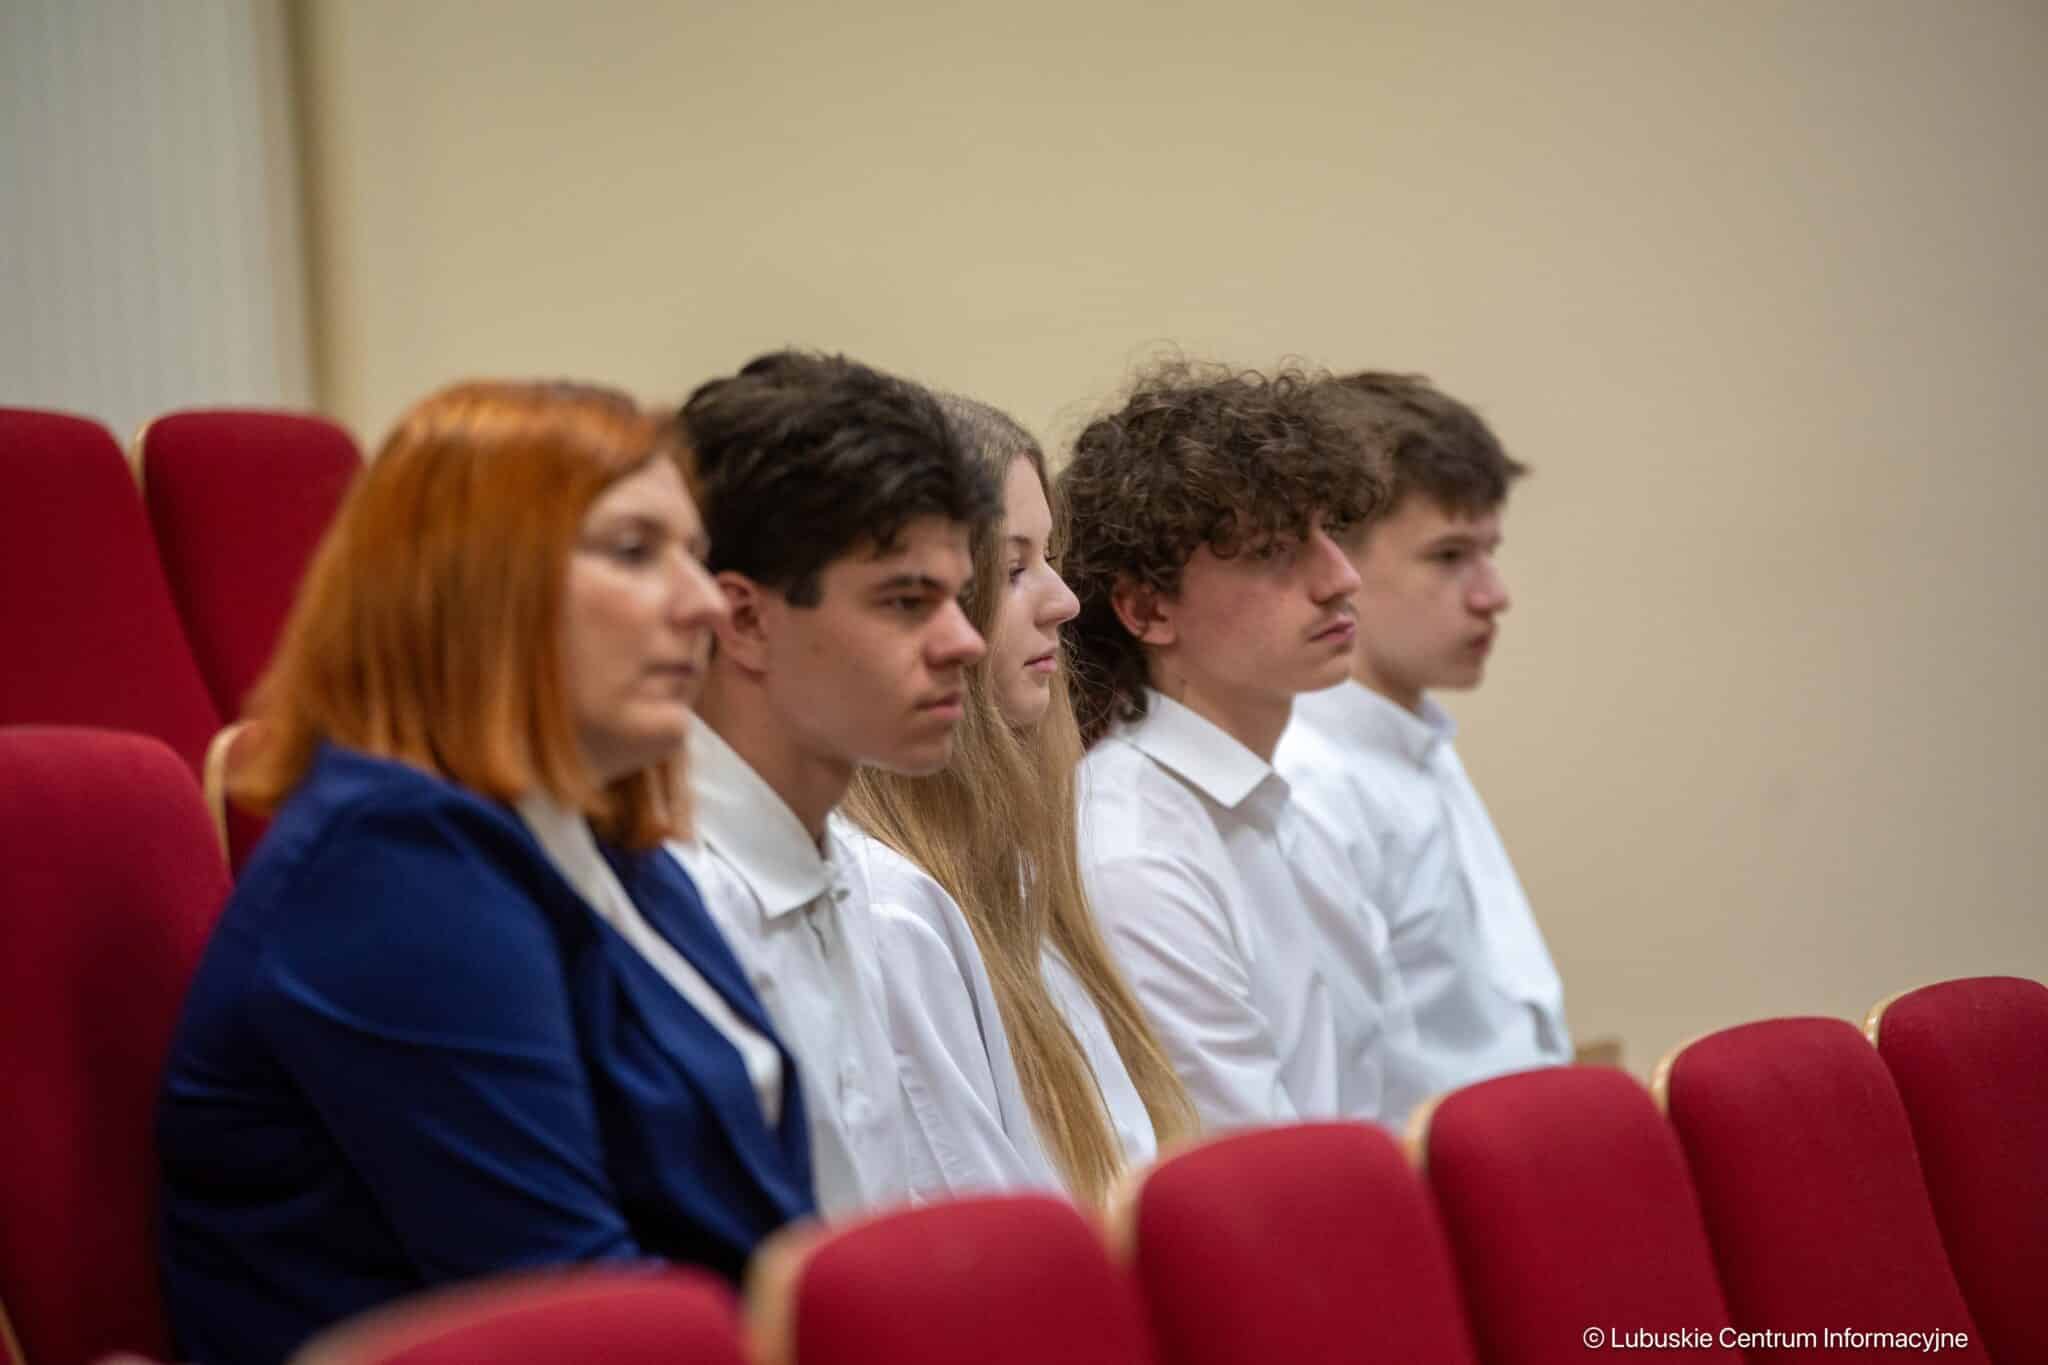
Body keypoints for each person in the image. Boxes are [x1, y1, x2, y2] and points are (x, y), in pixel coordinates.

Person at [157, 381, 814, 1365]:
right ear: (475, 582)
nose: (699, 604)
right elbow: (570, 1304)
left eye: (695, 555)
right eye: (634, 552)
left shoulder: (594, 826)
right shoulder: (390, 866)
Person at [842, 393, 1198, 1207]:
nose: (1066, 601)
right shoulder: (895, 915)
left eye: (1049, 556)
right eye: (1011, 570)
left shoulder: (1014, 869)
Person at [668, 351, 999, 1215]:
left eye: (960, 598)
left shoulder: (868, 880)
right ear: (743, 619)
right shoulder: (662, 901)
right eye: (904, 601)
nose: (964, 640)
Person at [1058, 359, 1421, 1130]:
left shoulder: (1288, 806)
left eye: (1332, 533)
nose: (1341, 578)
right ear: (1148, 607)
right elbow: (1256, 1179)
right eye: (1275, 551)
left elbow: (1390, 1100)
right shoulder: (1135, 854)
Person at [1276, 372, 1570, 1099]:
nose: (1493, 595)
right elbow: (1343, 1091)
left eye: (1489, 551)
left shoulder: (1416, 738)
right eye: (1448, 555)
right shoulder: (1307, 783)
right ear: (1334, 566)